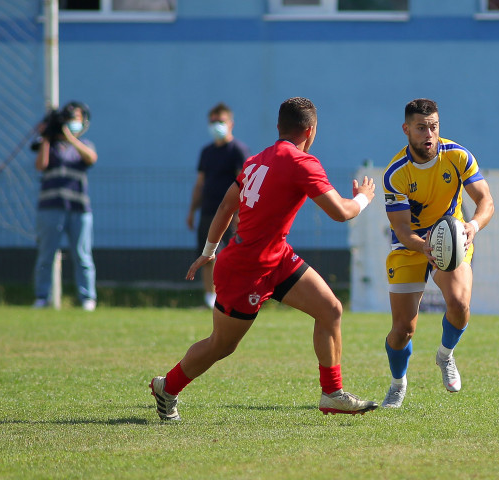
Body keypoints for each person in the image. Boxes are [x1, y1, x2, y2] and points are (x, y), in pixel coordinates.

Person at [150, 97, 379, 419]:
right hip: (246, 268)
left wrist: (209, 251)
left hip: (277, 257)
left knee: (330, 309)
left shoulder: (256, 160)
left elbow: (226, 205)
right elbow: (341, 212)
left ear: (279, 127)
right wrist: (364, 198)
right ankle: (167, 387)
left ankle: (332, 393)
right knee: (221, 345)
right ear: (310, 130)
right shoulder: (302, 162)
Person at [381, 98, 495, 408]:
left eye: (433, 127)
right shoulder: (396, 173)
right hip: (410, 246)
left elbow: (486, 201)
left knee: (459, 304)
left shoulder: (457, 156)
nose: (429, 134)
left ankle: (445, 355)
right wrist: (424, 246)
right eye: (421, 128)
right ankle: (397, 384)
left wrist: (472, 226)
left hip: (450, 238)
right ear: (406, 130)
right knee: (403, 330)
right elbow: (402, 228)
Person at [32, 101, 98, 311]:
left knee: (82, 255)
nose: (72, 123)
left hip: (79, 208)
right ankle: (42, 297)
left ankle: (87, 298)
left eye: (76, 119)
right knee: (46, 254)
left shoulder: (84, 144)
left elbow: (91, 158)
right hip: (50, 207)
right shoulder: (51, 146)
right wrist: (46, 137)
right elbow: (41, 165)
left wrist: (70, 138)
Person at [186, 103, 250, 308]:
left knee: (229, 257)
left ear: (231, 124)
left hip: (230, 213)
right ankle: (210, 299)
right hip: (207, 212)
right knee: (207, 255)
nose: (216, 125)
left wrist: (241, 212)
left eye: (220, 121)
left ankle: (232, 297)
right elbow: (200, 183)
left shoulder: (238, 150)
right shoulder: (207, 152)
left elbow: (245, 183)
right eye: (212, 122)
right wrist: (192, 211)